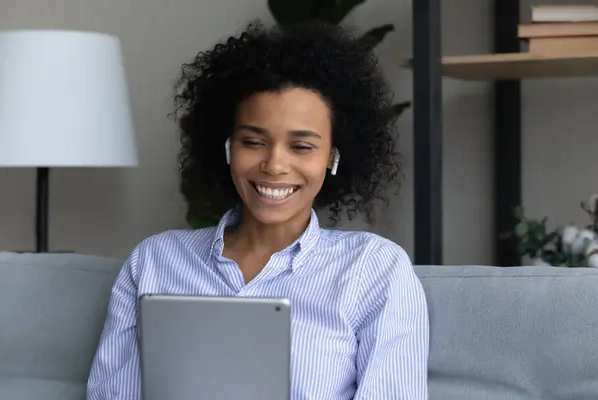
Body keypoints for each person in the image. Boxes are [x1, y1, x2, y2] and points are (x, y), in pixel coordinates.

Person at [87, 21, 429, 400]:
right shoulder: (153, 262)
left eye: (301, 147)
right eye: (253, 141)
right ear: (228, 147)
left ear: (332, 158)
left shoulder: (374, 270)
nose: (274, 165)